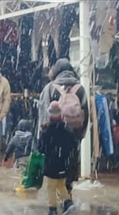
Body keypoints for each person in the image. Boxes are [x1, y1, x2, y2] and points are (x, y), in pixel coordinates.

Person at [38, 59, 89, 196]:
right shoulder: (80, 89)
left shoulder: (50, 88)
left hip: (54, 135)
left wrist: (43, 135)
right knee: (70, 162)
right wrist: (79, 135)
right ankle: (68, 189)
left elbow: (43, 114)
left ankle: (55, 195)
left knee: (55, 163)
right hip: (72, 134)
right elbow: (86, 114)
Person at [37, 102, 78, 215]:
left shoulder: (46, 132)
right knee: (61, 184)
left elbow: (41, 149)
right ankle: (67, 202)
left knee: (51, 187)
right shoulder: (67, 131)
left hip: (51, 164)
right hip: (64, 163)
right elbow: (73, 146)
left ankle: (52, 209)